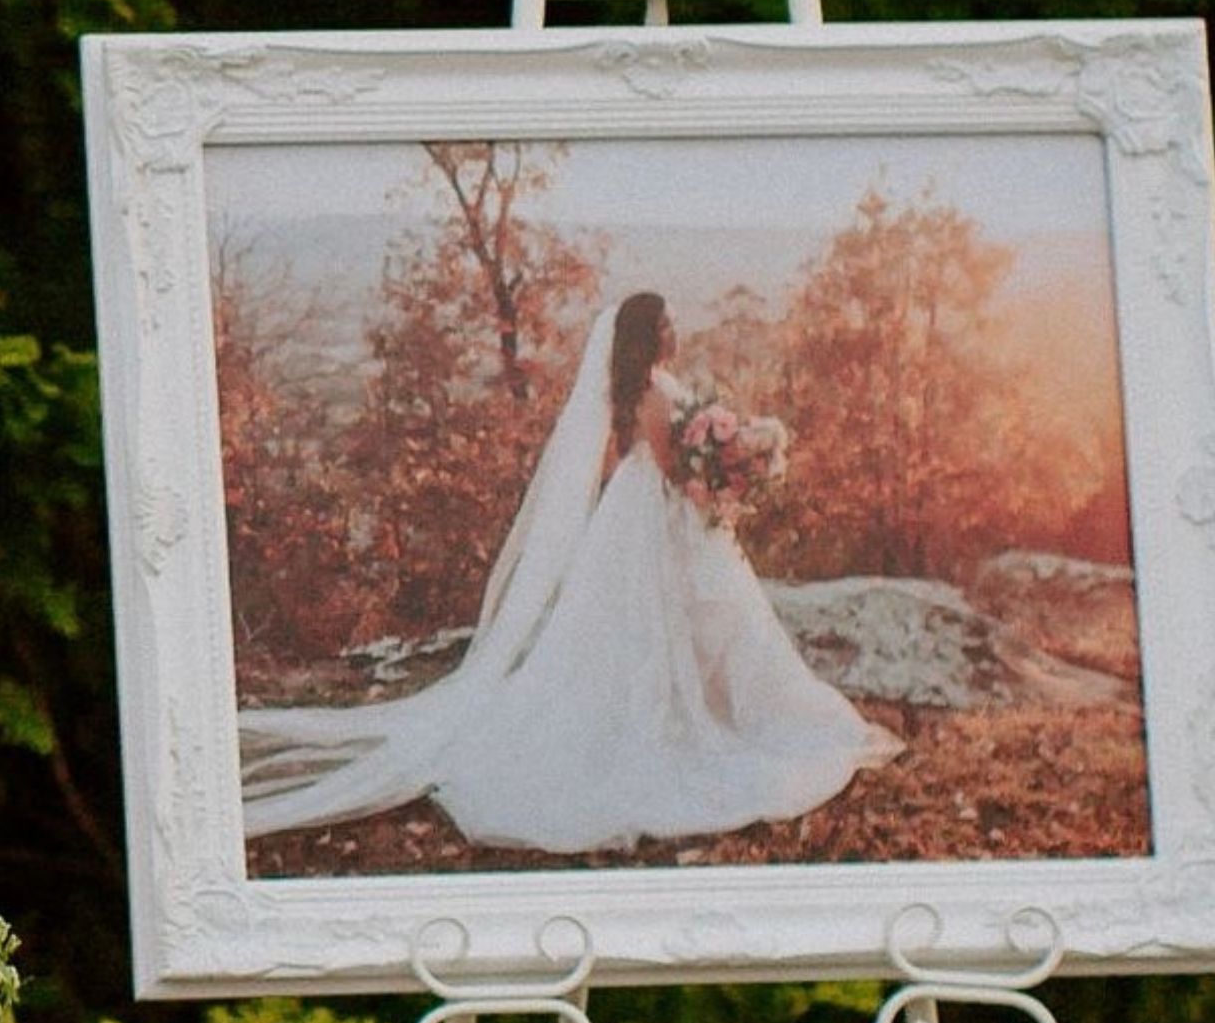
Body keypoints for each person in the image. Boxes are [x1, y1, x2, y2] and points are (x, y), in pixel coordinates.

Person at [238, 290, 904, 853]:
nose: (675, 329)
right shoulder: (654, 391)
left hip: (638, 509)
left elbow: (643, 458)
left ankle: (712, 704)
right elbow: (674, 468)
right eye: (667, 322)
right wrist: (729, 466)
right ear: (651, 334)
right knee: (680, 621)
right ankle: (697, 717)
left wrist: (721, 457)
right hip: (657, 516)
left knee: (679, 624)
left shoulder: (637, 386)